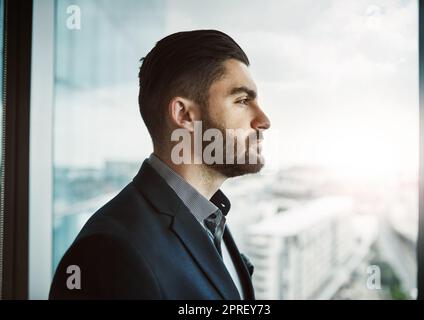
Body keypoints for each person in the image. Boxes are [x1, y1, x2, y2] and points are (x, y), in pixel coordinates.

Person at [49, 29, 271, 299]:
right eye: (242, 100)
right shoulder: (110, 252)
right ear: (184, 115)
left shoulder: (211, 220)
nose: (263, 120)